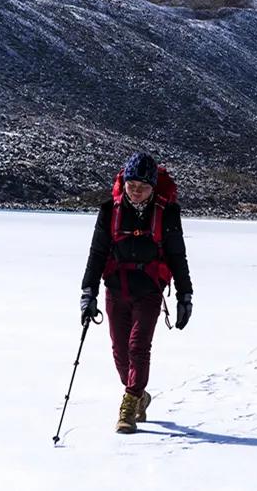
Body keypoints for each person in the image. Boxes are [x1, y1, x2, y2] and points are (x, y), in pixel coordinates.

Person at [79, 152, 193, 434]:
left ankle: (129, 406)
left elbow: (178, 255)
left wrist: (184, 295)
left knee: (137, 347)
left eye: (143, 187)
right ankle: (139, 393)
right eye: (132, 185)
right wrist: (88, 292)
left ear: (154, 187)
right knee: (120, 353)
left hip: (149, 290)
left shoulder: (166, 214)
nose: (137, 191)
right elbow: (97, 254)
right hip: (116, 288)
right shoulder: (110, 211)